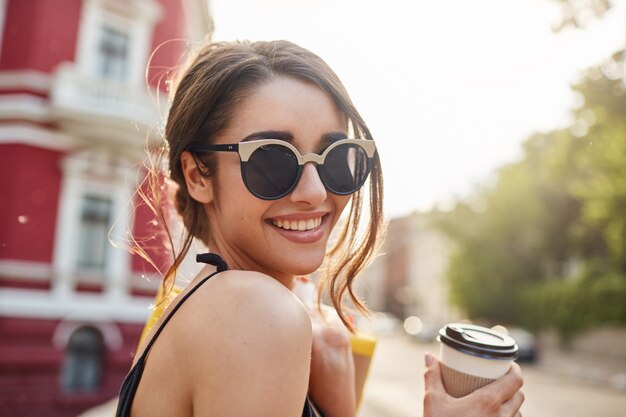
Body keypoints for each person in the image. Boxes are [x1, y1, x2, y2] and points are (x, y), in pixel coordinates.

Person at [116, 39, 524, 417]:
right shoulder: (258, 312)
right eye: (273, 159)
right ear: (198, 175)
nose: (314, 191)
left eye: (335, 158)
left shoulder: (199, 307)